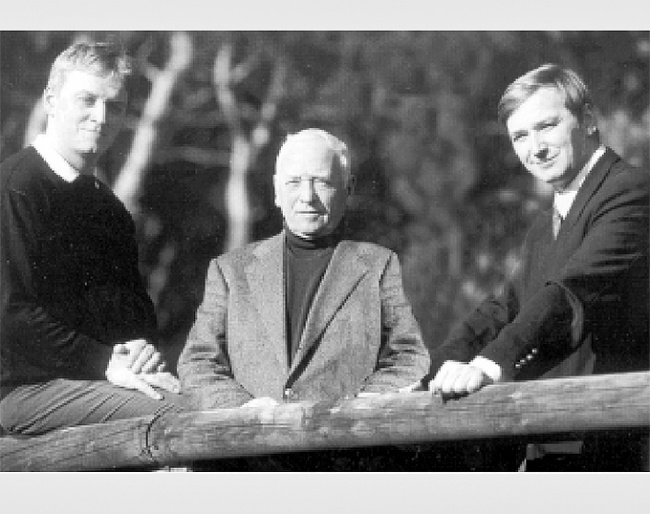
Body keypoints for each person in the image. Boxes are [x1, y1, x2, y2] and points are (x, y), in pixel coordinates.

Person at [424, 64, 649, 471]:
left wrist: (488, 365)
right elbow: (498, 312)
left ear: (589, 120)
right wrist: (423, 376)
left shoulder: (631, 193)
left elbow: (571, 294)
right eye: (520, 137)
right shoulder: (543, 228)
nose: (535, 148)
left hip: (617, 451)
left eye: (546, 127)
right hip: (553, 444)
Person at [0, 42, 183, 436]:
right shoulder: (15, 188)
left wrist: (139, 353)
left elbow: (133, 312)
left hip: (96, 383)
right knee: (183, 416)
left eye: (114, 106)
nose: (101, 117)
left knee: (209, 403)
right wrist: (106, 362)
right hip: (19, 392)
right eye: (87, 100)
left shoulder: (108, 208)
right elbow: (10, 315)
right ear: (51, 101)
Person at [178, 128, 430, 413]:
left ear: (348, 189)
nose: (307, 196)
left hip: (340, 445)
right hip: (251, 446)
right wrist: (244, 410)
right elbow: (197, 362)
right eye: (294, 182)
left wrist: (355, 411)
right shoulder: (230, 272)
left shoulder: (378, 266)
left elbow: (410, 358)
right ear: (276, 190)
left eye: (321, 182)